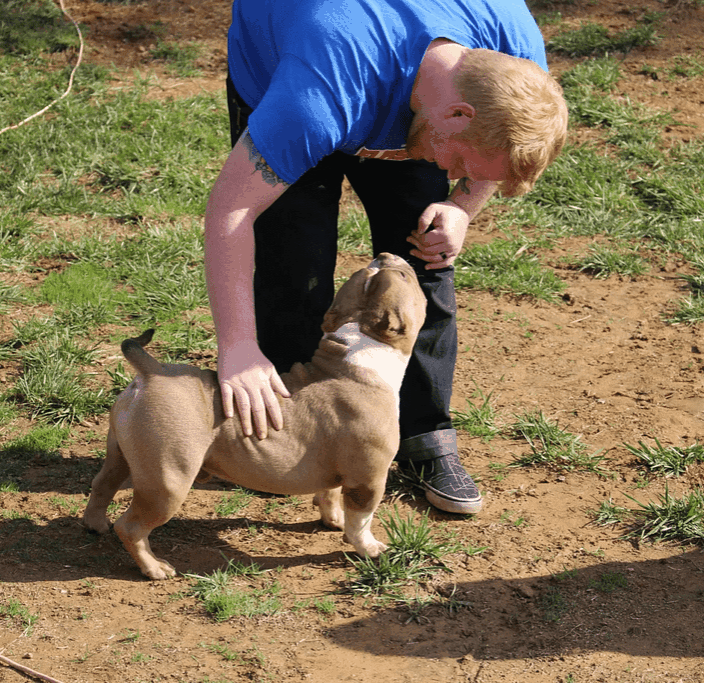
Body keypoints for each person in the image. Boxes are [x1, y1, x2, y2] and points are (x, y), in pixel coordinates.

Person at [203, 0, 568, 515]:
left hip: (399, 91)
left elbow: (493, 154)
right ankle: (282, 430)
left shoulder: (515, 58)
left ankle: (423, 436)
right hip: (305, 67)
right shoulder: (317, 93)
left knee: (422, 259)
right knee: (294, 260)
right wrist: (237, 347)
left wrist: (462, 205)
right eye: (460, 163)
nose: (456, 170)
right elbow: (230, 212)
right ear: (458, 113)